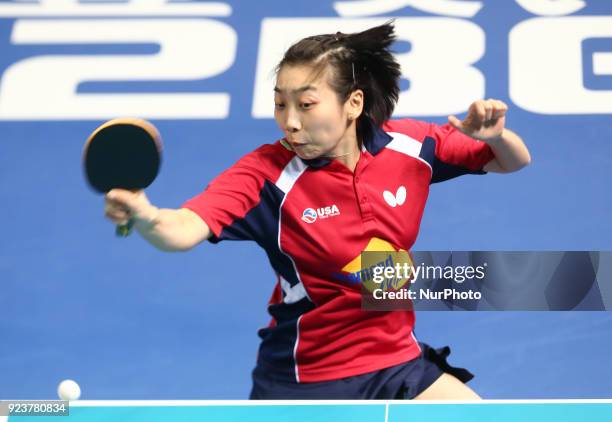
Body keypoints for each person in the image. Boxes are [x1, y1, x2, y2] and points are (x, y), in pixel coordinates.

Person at [104, 22, 530, 399]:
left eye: (305, 105)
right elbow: (178, 231)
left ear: (354, 104)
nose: (289, 122)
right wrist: (144, 214)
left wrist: (496, 137)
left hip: (397, 362)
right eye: (280, 104)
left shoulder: (409, 147)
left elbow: (513, 161)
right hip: (307, 382)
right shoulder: (267, 177)